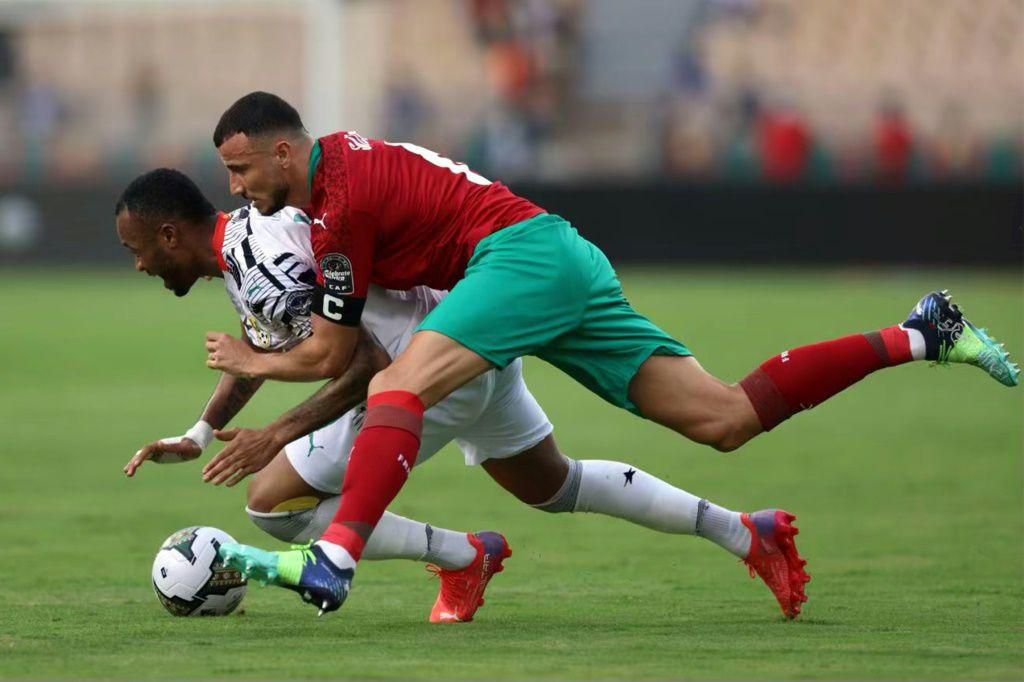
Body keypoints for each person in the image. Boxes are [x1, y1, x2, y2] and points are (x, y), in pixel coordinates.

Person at [202, 92, 1016, 617]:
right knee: (724, 418)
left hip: (518, 258)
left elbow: (341, 353)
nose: (237, 187)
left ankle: (334, 559)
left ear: (282, 153)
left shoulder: (340, 204)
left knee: (402, 383)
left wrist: (253, 363)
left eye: (240, 169)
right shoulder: (338, 182)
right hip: (554, 260)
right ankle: (920, 333)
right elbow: (336, 343)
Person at [115, 168, 811, 621]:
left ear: (170, 234)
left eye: (138, 249)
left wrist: (280, 433)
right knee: (552, 485)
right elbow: (261, 344)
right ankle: (744, 531)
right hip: (473, 338)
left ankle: (463, 556)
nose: (139, 264)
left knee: (271, 505)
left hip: (429, 366)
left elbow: (368, 364)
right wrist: (199, 432)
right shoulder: (250, 243)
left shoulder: (260, 250)